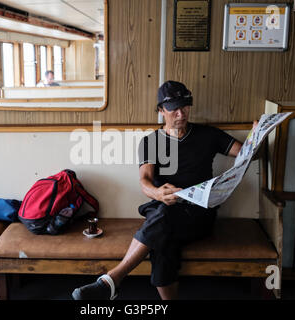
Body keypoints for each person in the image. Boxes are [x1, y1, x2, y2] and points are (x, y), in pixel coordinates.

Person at [72, 80, 249, 300]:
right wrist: (157, 193)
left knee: (162, 222)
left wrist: (259, 133)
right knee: (163, 239)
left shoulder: (208, 135)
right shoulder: (151, 142)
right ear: (160, 110)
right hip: (164, 210)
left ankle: (113, 280)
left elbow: (246, 153)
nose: (180, 113)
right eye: (173, 108)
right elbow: (145, 180)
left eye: (184, 106)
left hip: (199, 215)